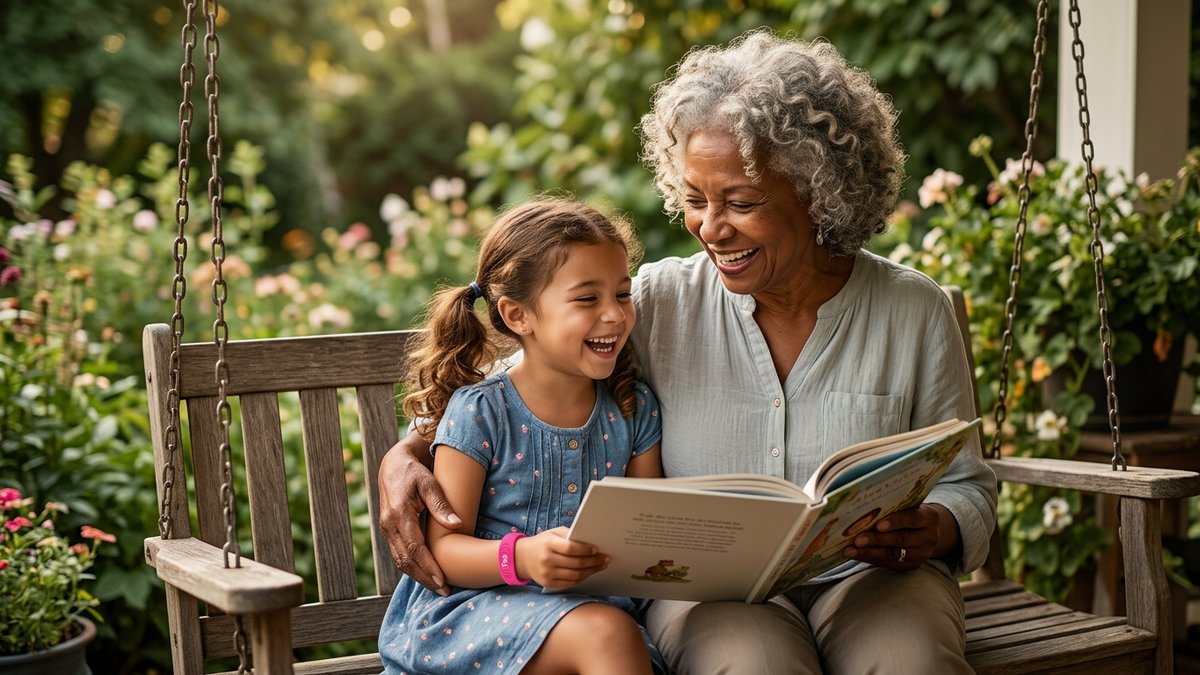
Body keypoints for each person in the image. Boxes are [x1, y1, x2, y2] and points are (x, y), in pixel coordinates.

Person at [378, 29, 997, 674]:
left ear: (820, 194)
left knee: (910, 663)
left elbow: (969, 488)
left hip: (874, 579)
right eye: (696, 199)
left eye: (741, 202)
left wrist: (936, 527)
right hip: (709, 589)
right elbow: (529, 374)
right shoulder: (656, 301)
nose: (710, 226)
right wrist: (410, 450)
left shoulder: (912, 309)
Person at [376, 198, 664, 674]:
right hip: (472, 616)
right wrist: (523, 558)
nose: (614, 315)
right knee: (606, 635)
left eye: (622, 294)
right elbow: (444, 551)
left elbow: (647, 530)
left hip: (588, 617)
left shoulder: (633, 409)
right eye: (587, 298)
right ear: (517, 315)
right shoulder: (482, 412)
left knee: (609, 632)